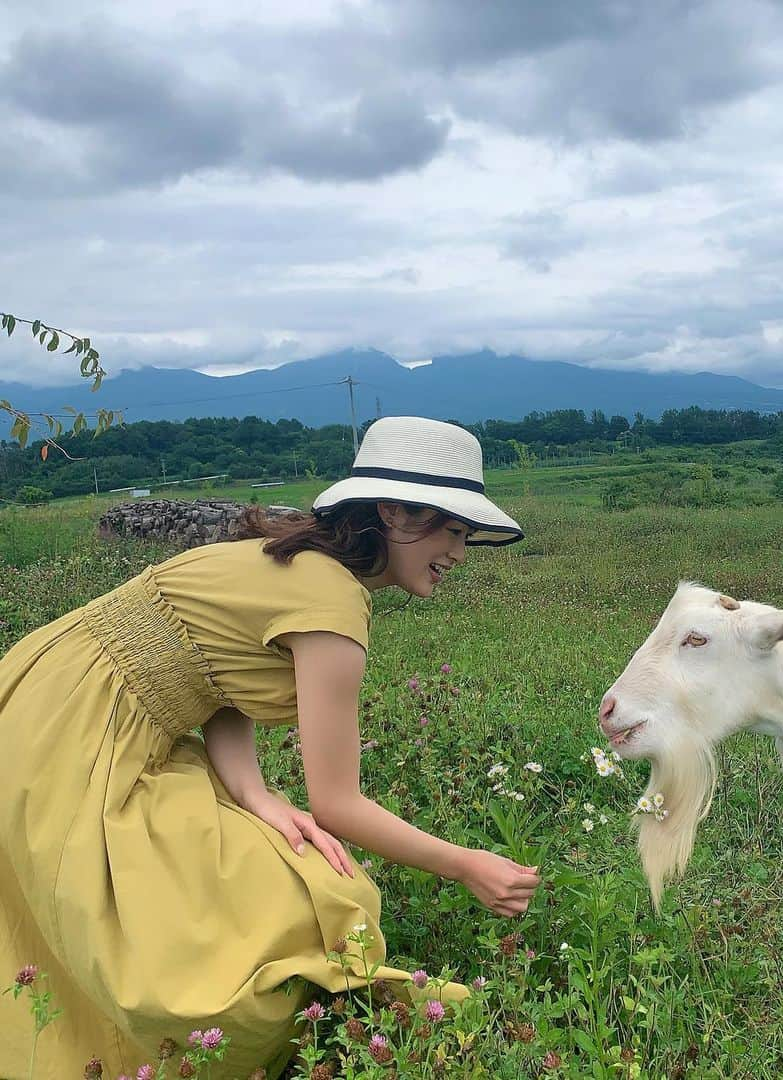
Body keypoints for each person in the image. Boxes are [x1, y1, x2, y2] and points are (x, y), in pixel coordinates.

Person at [0, 416, 541, 1078]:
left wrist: (254, 792)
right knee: (170, 908)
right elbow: (338, 806)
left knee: (242, 865)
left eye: (468, 534)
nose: (461, 550)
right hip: (78, 730)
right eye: (453, 529)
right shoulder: (332, 602)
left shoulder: (291, 559)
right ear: (396, 511)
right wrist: (466, 865)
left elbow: (218, 675)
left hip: (53, 695)